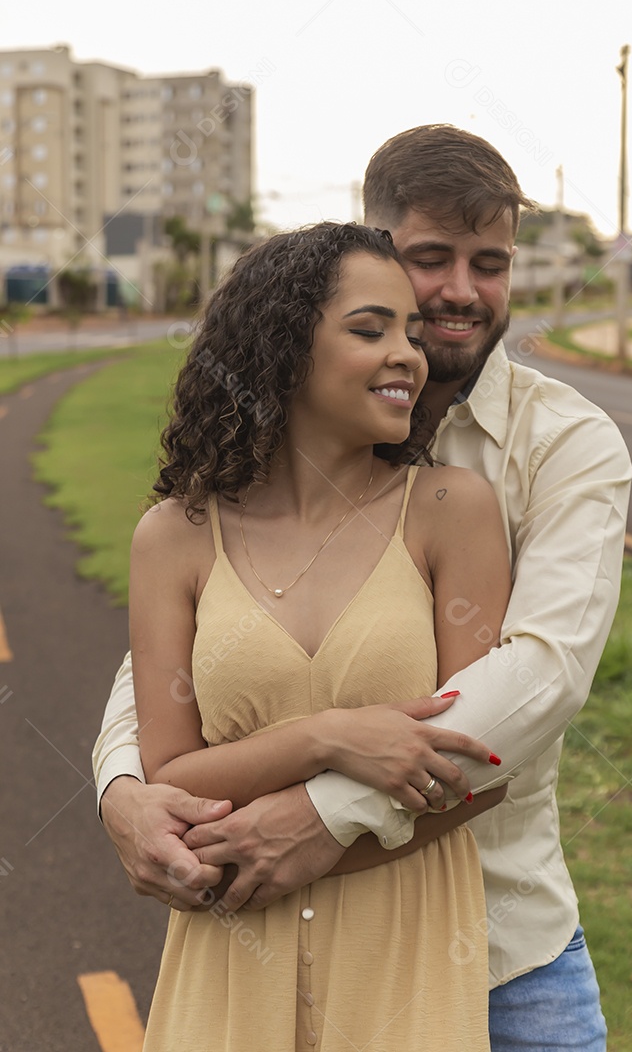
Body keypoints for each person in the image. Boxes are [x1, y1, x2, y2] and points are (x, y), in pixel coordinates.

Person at [94, 125, 632, 1051]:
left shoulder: (562, 448)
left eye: (491, 262)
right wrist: (122, 788)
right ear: (376, 247)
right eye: (432, 258)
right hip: (252, 938)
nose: (463, 291)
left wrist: (320, 819)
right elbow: (178, 654)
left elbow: (536, 678)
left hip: (497, 943)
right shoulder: (246, 477)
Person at [128, 220, 512, 1049]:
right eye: (371, 330)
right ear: (281, 347)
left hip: (404, 955)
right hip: (226, 965)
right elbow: (171, 777)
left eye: (411, 333)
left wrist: (303, 838)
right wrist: (327, 737)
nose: (408, 354)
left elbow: (478, 768)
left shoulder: (451, 511)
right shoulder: (175, 535)